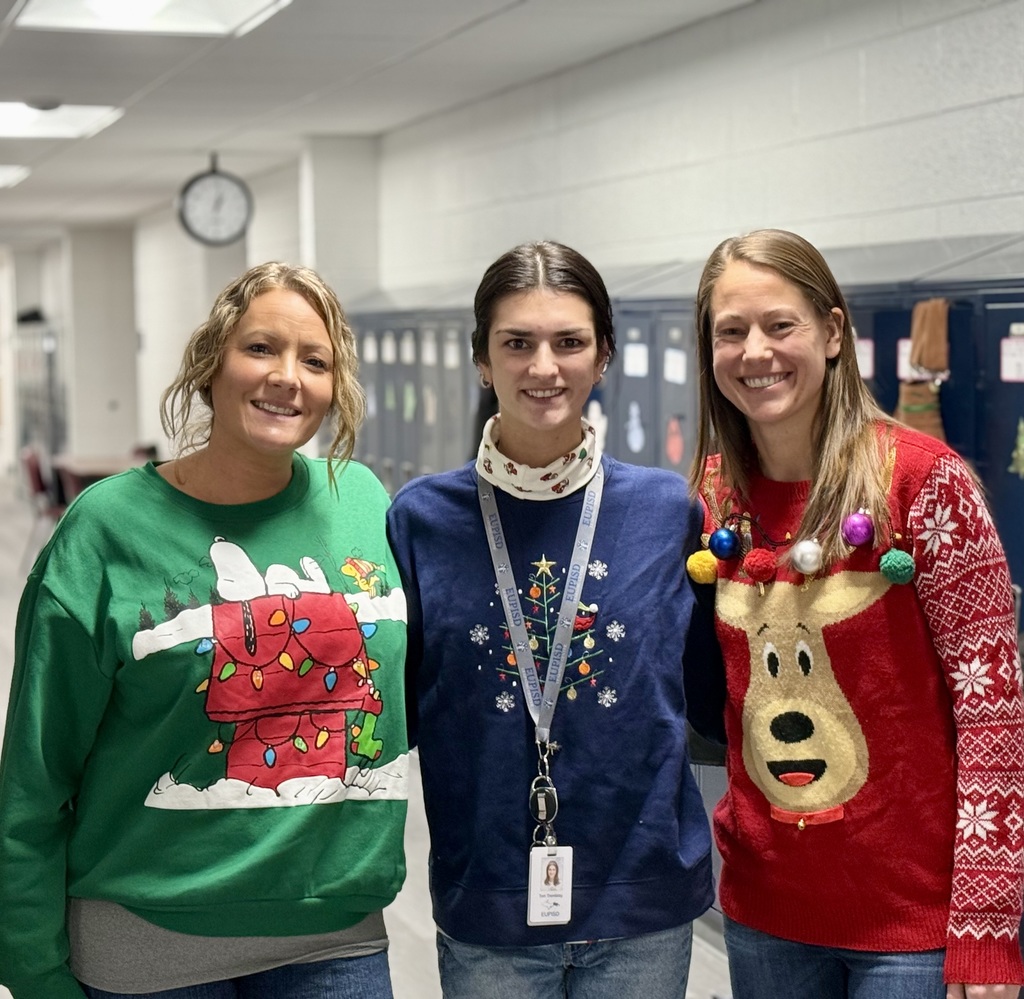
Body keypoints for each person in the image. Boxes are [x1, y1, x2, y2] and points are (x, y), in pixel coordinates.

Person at [0, 262, 409, 999]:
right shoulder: (106, 529)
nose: (287, 376)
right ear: (209, 364)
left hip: (336, 936)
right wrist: (31, 966)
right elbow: (37, 770)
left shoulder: (363, 500)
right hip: (147, 945)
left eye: (314, 360)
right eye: (261, 348)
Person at [686, 228, 1024, 999]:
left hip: (913, 930)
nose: (755, 351)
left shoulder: (923, 485)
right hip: (766, 912)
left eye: (780, 324)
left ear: (833, 332)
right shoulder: (714, 498)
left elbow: (994, 714)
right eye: (730, 331)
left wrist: (987, 924)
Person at [387, 240, 721, 998]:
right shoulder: (422, 521)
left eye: (569, 342)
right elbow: (395, 715)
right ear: (482, 359)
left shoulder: (668, 511)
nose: (545, 367)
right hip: (491, 904)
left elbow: (711, 700)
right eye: (517, 343)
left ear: (603, 355)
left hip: (643, 900)